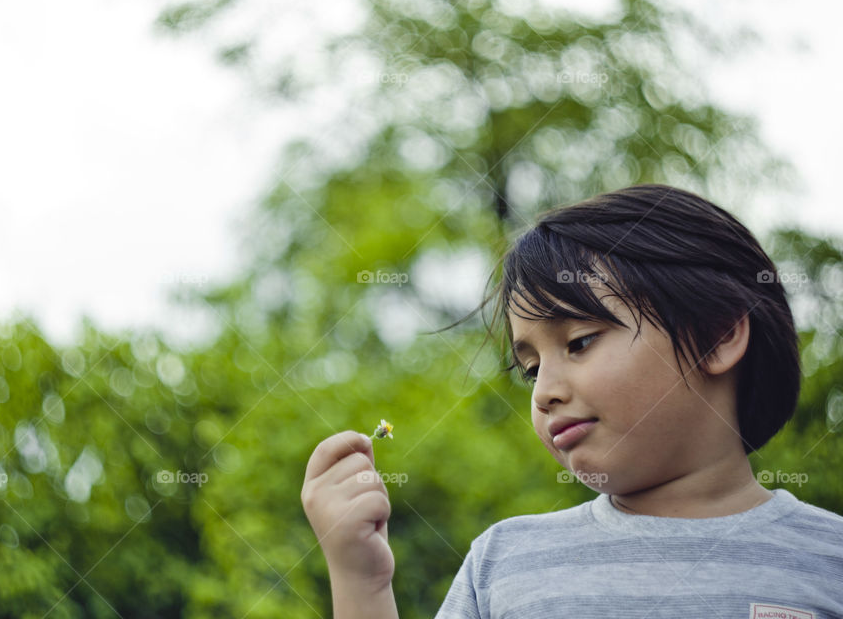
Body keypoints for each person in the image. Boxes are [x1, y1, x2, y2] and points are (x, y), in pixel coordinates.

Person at [300, 185, 843, 618]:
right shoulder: (505, 562)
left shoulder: (828, 561)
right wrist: (362, 582)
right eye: (530, 369)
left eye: (579, 342)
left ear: (718, 335)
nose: (544, 392)